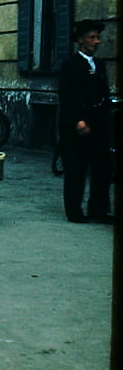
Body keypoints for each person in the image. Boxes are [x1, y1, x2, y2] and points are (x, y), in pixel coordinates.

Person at [58, 19, 113, 224]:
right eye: (92, 37)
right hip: (77, 125)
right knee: (76, 169)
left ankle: (98, 209)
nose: (96, 41)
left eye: (98, 37)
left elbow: (103, 93)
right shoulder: (70, 65)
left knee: (102, 168)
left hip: (99, 124)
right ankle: (74, 210)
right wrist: (77, 121)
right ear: (81, 40)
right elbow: (67, 96)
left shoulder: (99, 65)